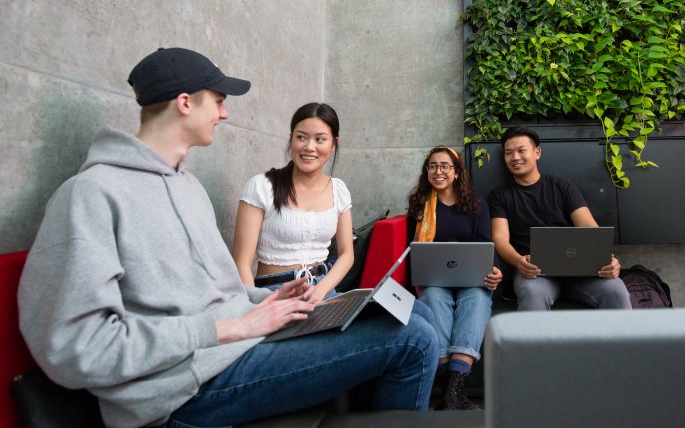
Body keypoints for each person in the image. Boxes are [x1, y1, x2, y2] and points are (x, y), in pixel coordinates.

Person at [17, 47, 438, 428]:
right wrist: (228, 327)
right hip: (184, 388)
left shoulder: (188, 188)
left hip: (238, 347)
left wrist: (271, 302)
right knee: (414, 340)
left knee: (409, 316)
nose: (225, 113)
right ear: (185, 103)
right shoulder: (90, 194)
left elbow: (221, 293)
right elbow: (78, 350)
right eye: (218, 101)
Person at [488, 126, 631, 311]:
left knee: (616, 290)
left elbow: (588, 227)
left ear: (537, 152)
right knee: (533, 293)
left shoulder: (562, 186)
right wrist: (519, 262)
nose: (515, 157)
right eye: (509, 153)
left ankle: (622, 341)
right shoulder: (499, 196)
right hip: (534, 272)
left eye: (521, 151)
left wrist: (608, 259)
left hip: (579, 269)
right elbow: (499, 239)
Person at [406, 145, 502, 411]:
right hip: (433, 279)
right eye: (433, 166)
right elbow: (410, 250)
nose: (438, 172)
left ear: (457, 172)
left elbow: (486, 245)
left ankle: (451, 390)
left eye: (445, 166)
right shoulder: (419, 205)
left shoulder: (477, 204)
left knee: (477, 300)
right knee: (434, 298)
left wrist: (493, 270)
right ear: (427, 172)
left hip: (472, 278)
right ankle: (454, 393)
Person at [232, 103, 352, 301]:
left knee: (413, 317)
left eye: (320, 139)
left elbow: (347, 254)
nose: (309, 147)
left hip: (322, 290)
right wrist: (258, 309)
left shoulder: (339, 190)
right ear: (291, 139)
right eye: (301, 137)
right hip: (274, 294)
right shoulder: (262, 186)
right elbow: (241, 263)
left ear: (333, 145)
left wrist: (320, 292)